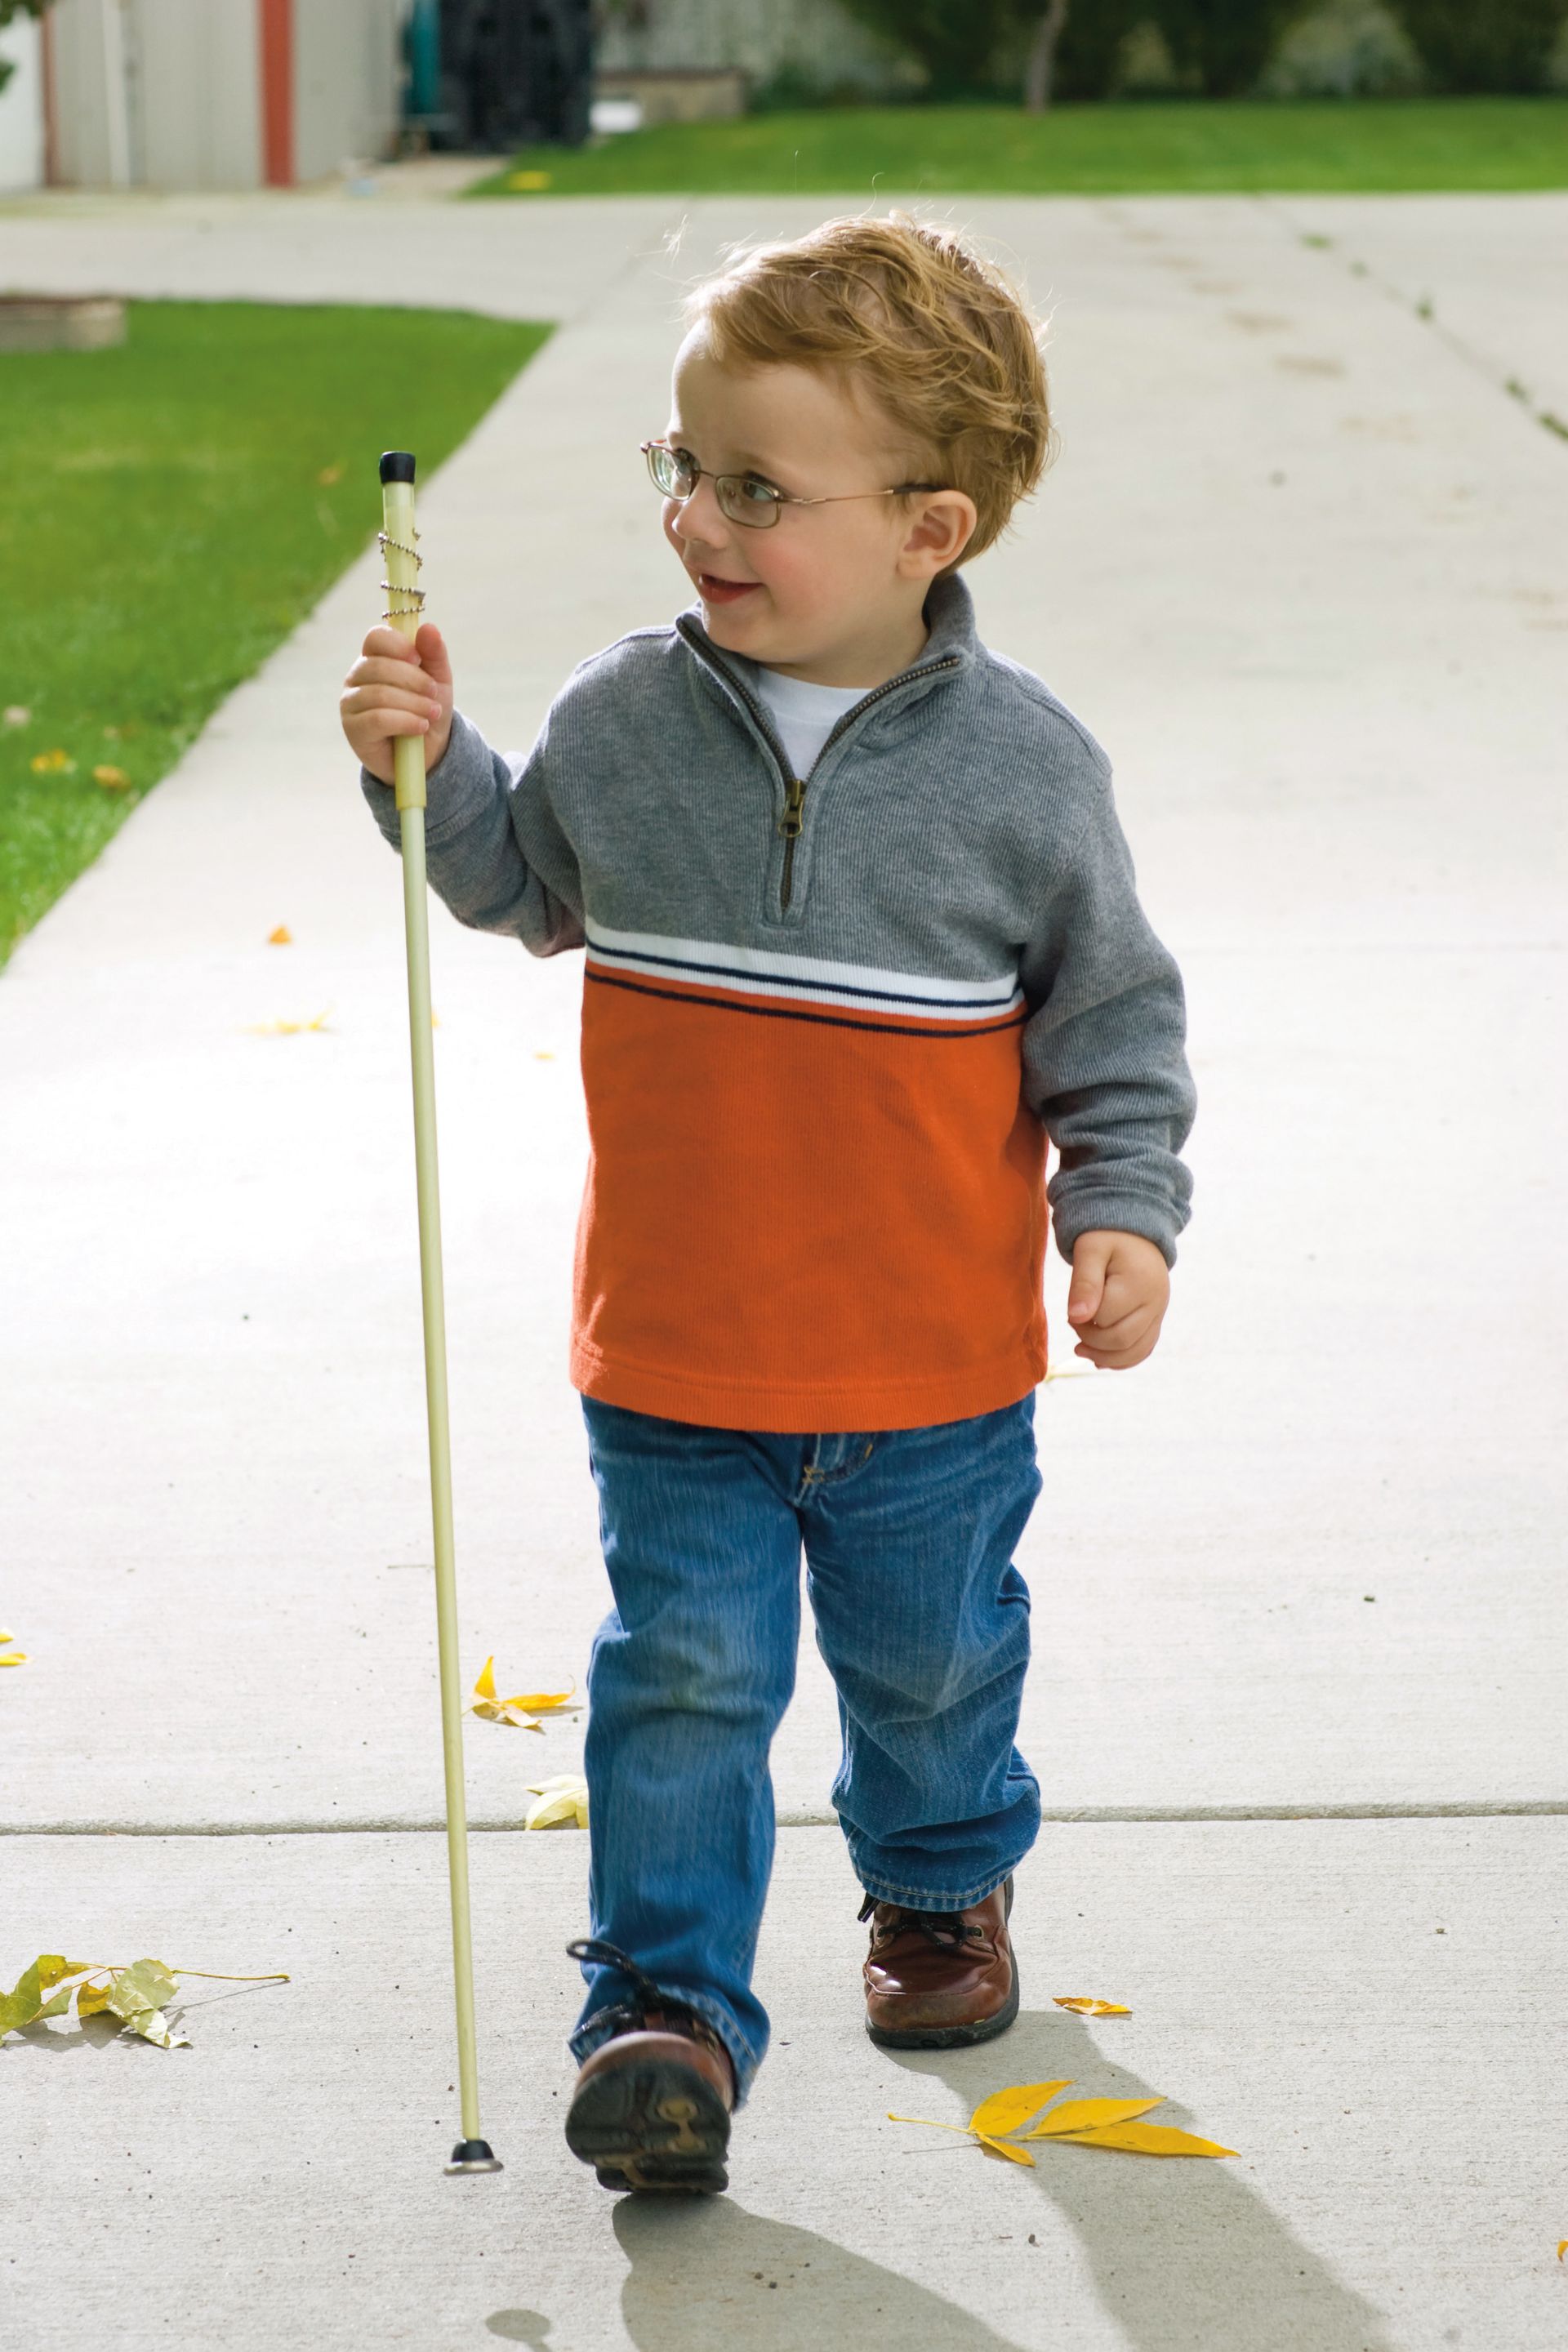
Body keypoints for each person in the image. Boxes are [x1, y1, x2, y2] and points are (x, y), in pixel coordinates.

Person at [341, 214, 1196, 2198]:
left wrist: (1124, 1209)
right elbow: (522, 884)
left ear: (933, 527)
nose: (699, 521)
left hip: (927, 1374)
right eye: (684, 467)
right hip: (681, 1350)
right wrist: (429, 762)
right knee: (685, 1683)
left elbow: (1115, 1021)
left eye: (755, 489)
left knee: (929, 1675)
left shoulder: (1025, 775)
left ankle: (937, 1885)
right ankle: (663, 2019)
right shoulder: (631, 722)